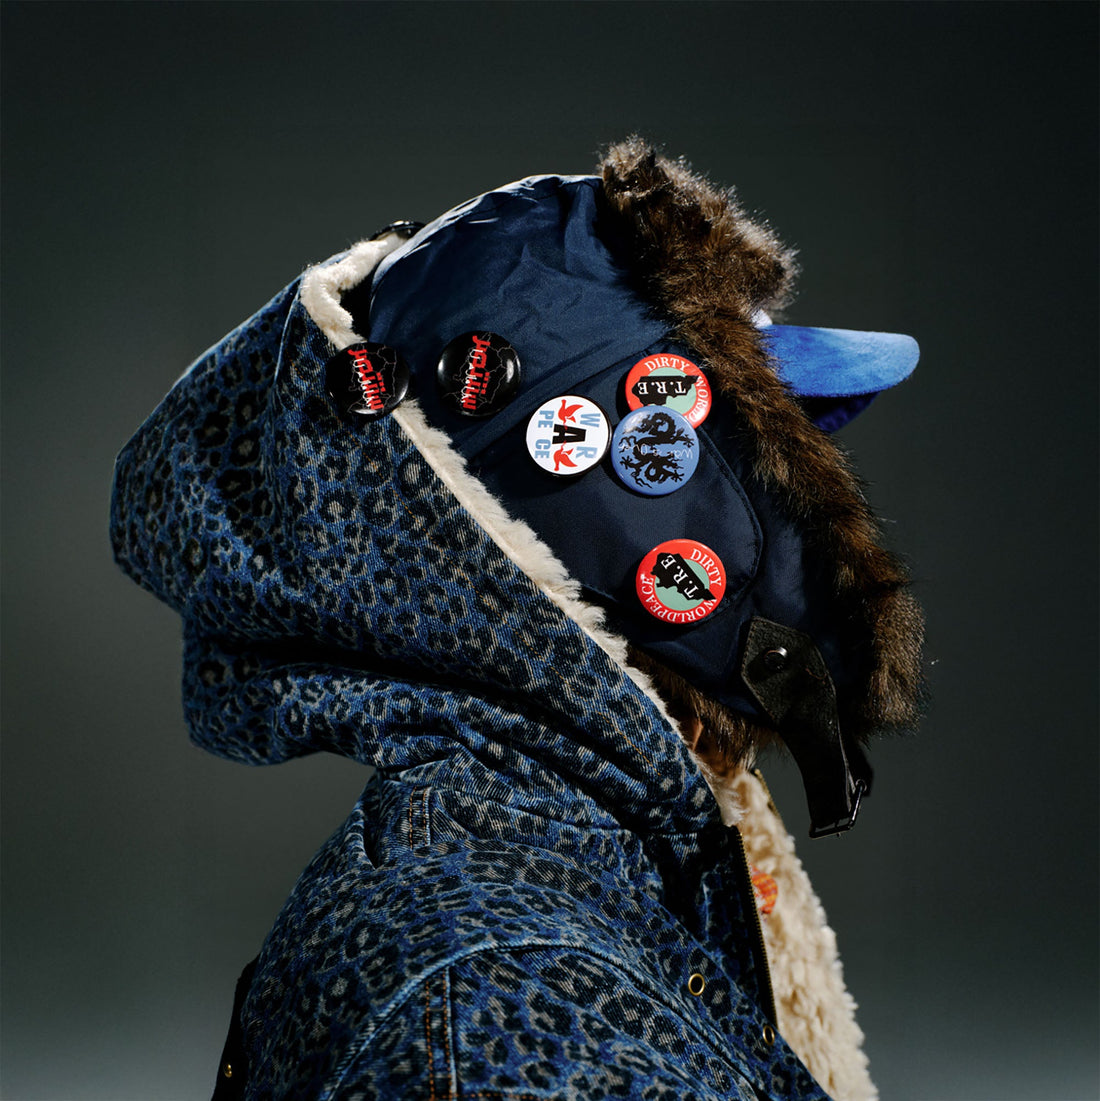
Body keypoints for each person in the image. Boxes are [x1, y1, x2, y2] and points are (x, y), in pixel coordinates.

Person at [111, 139, 923, 1100]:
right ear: (618, 522)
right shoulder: (499, 1008)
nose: (817, 506)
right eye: (780, 441)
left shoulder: (596, 853)